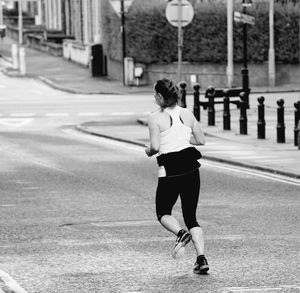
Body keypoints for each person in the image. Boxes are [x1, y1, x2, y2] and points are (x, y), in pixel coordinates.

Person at [145, 77, 209, 275]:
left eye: (155, 93)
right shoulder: (187, 113)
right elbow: (201, 140)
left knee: (162, 212)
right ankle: (201, 259)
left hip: (170, 170)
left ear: (160, 96)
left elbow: (156, 147)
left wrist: (148, 151)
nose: (154, 97)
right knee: (191, 217)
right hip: (191, 167)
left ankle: (181, 234)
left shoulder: (155, 118)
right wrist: (183, 139)